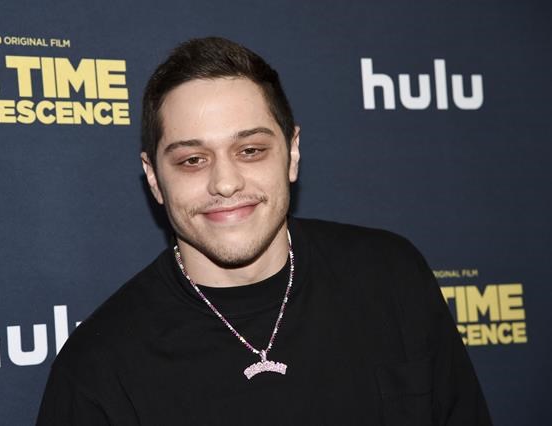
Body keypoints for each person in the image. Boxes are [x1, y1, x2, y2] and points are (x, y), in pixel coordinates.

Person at [36, 36, 492, 425]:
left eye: (250, 150)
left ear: (292, 153)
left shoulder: (391, 276)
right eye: (192, 160)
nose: (225, 183)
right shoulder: (98, 368)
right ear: (154, 178)